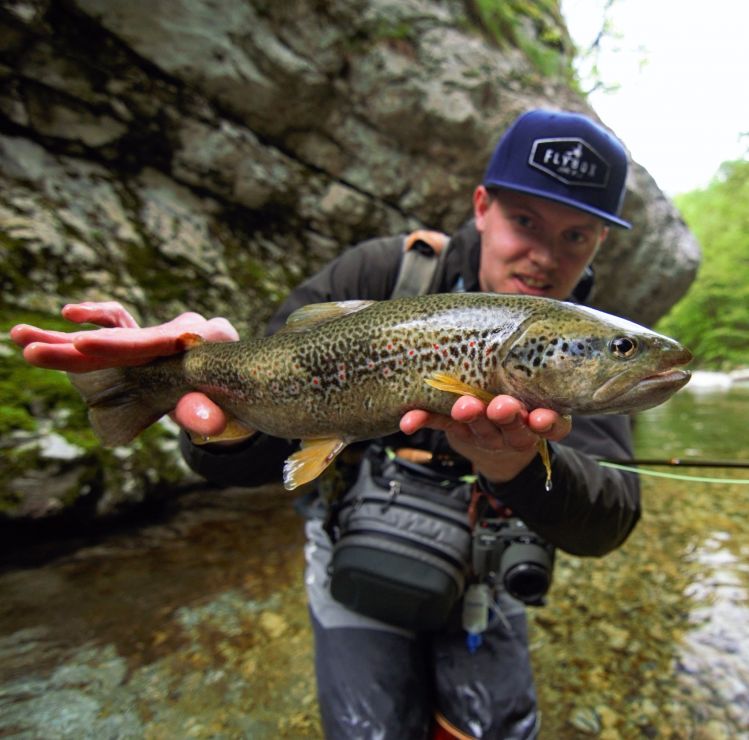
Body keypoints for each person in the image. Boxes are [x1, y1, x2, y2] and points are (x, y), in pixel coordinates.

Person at [12, 109, 641, 739]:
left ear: (599, 244)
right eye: (525, 221)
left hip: (489, 571)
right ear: (482, 205)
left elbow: (610, 519)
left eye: (575, 236)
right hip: (351, 546)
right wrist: (216, 413)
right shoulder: (385, 274)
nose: (542, 256)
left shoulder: (585, 348)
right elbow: (227, 459)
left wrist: (515, 465)